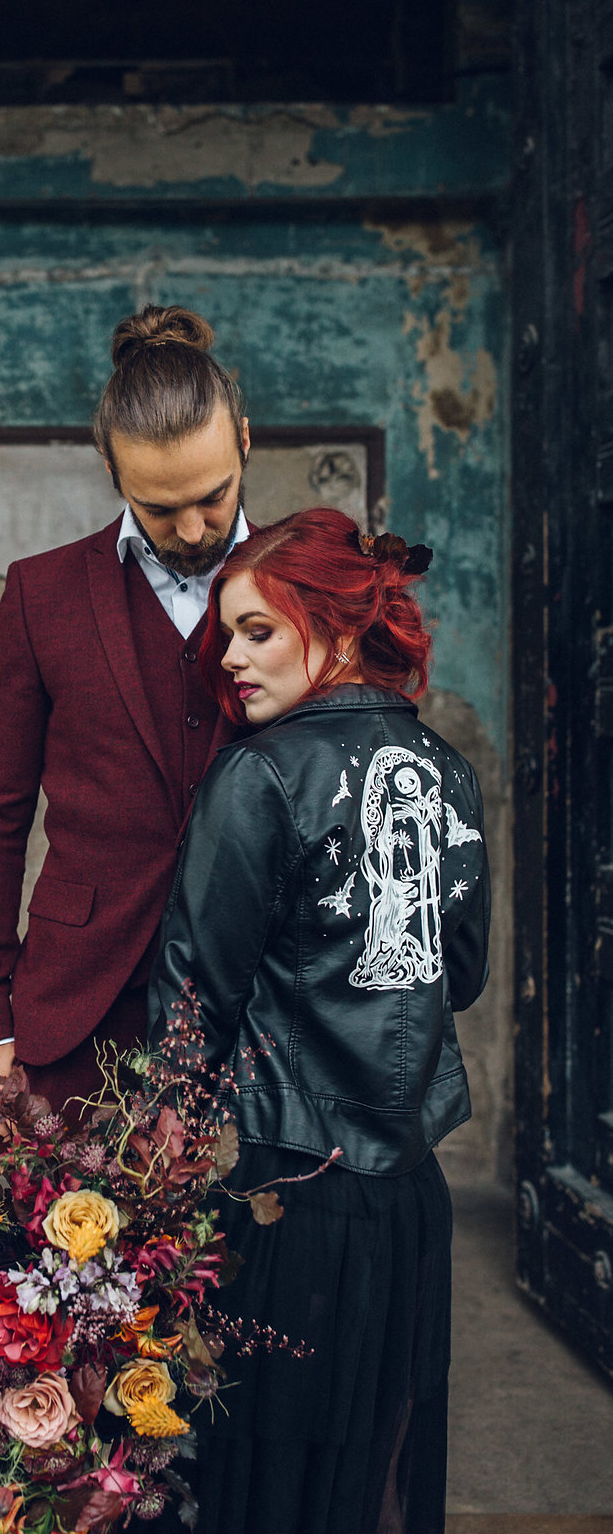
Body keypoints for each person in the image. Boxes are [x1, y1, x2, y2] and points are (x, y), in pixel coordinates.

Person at [149, 508, 490, 1534]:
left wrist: (160, 1134)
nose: (232, 658)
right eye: (227, 635)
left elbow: (196, 992)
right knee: (370, 1466)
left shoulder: (257, 775)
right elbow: (459, 977)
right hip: (409, 1197)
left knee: (267, 1474)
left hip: (287, 1190)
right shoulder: (450, 772)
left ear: (338, 631)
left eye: (257, 630)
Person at [0, 305, 252, 1112]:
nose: (192, 529)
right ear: (113, 476)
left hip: (266, 999)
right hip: (76, 1005)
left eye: (214, 497)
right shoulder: (39, 596)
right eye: (159, 507)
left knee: (260, 1234)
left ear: (245, 441)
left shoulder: (312, 582)